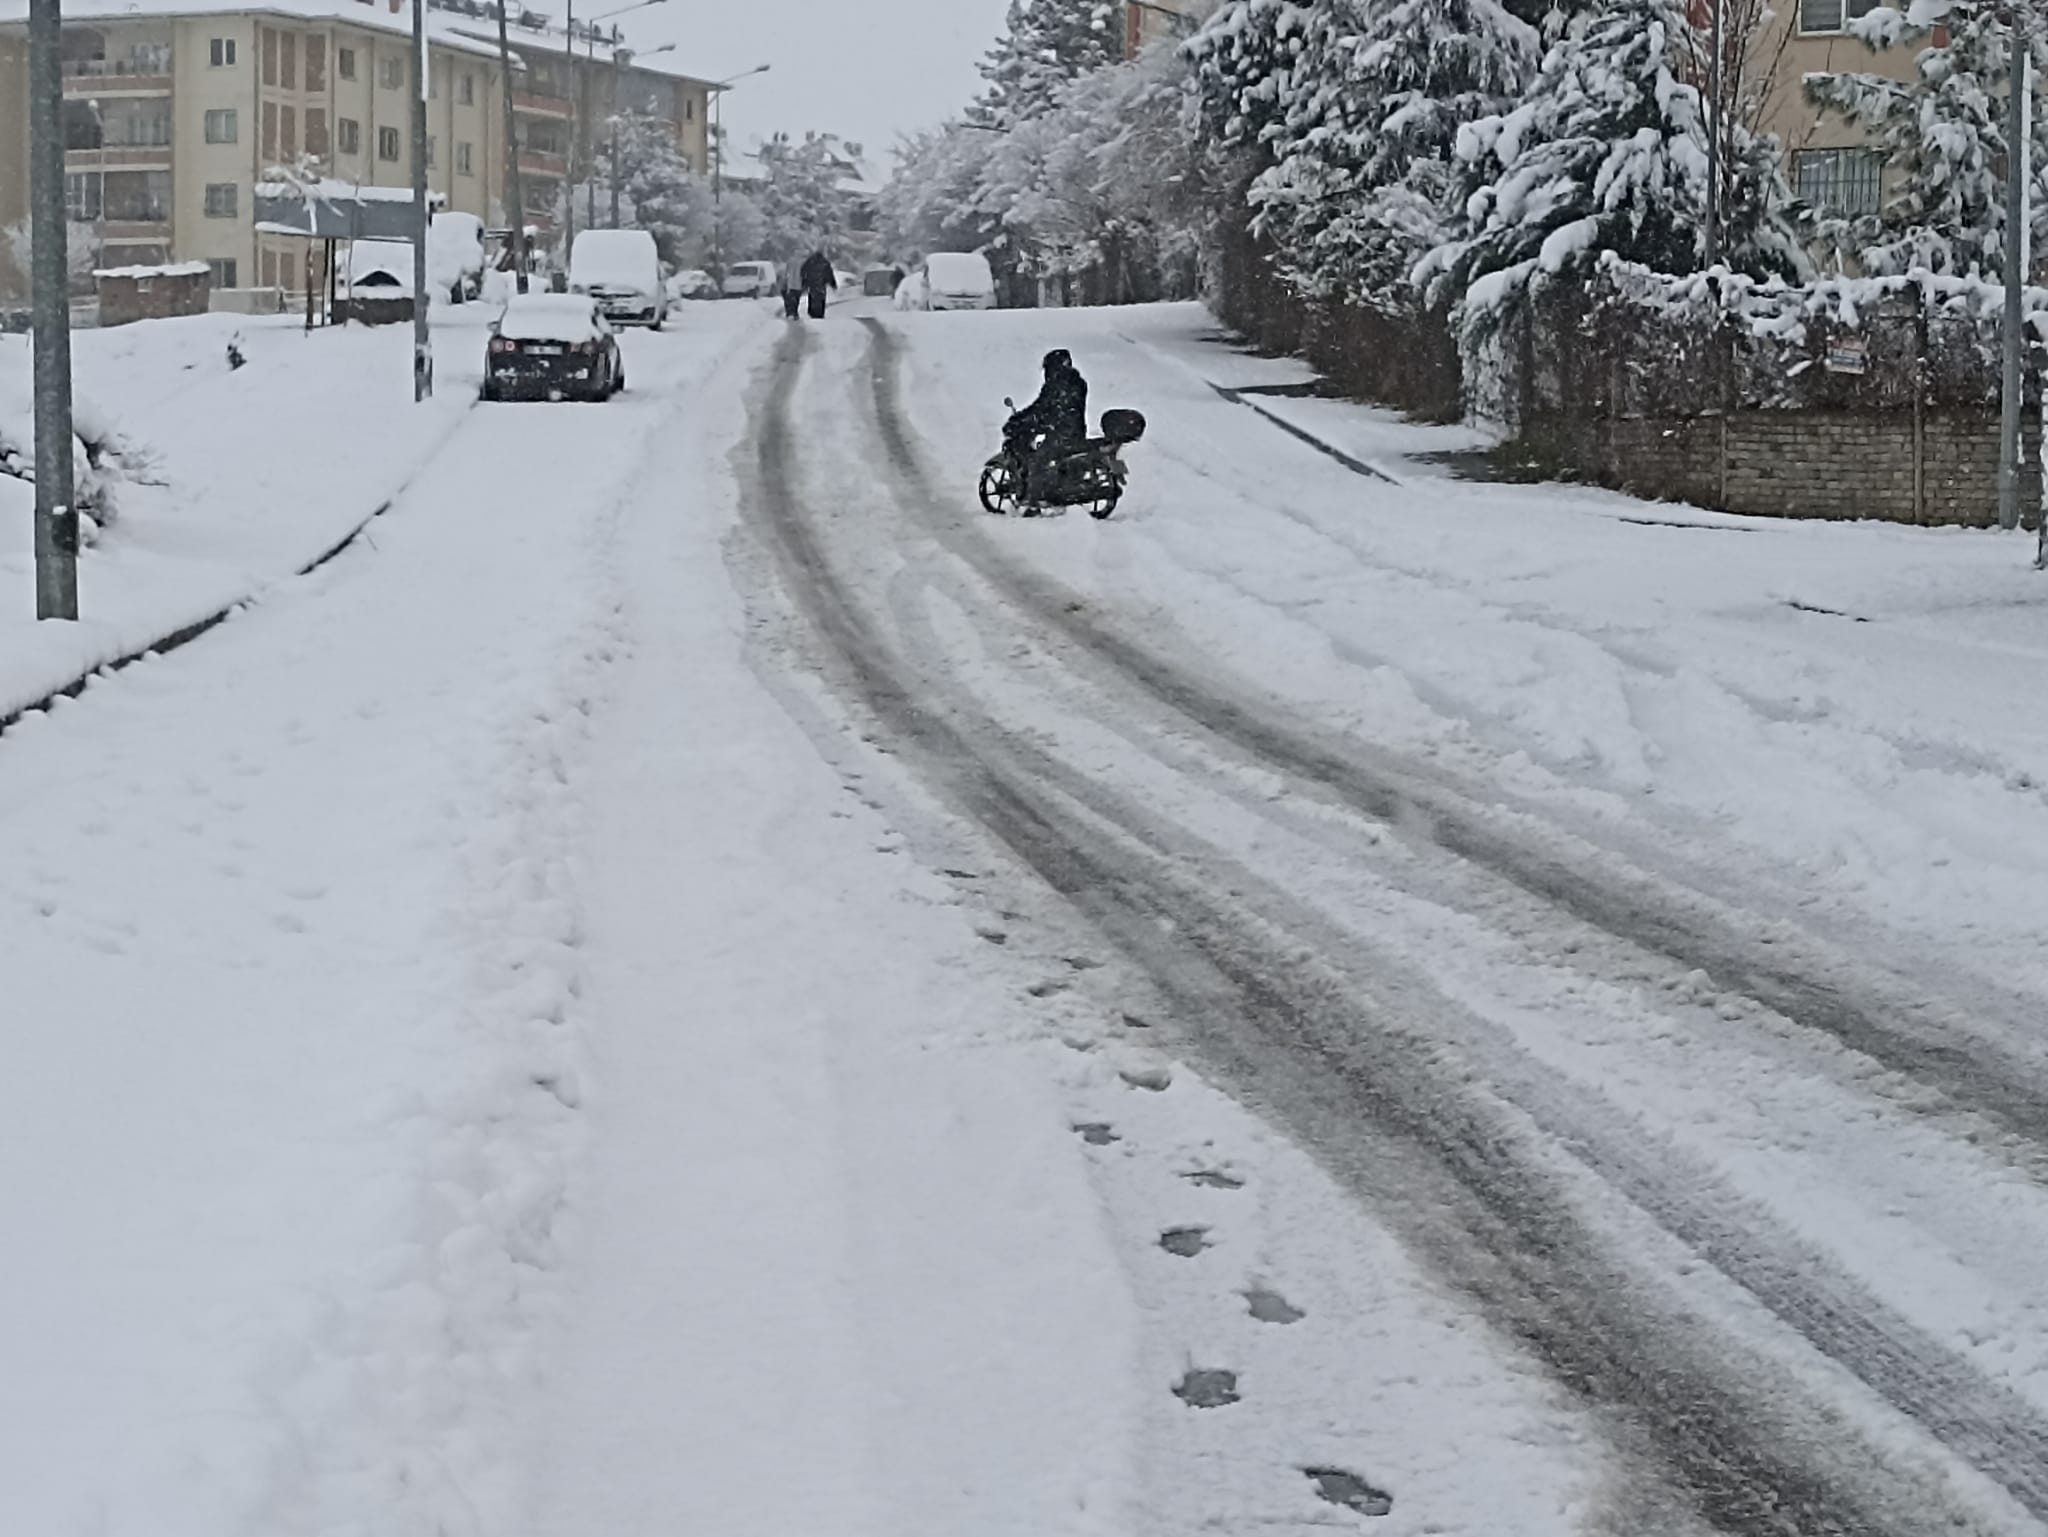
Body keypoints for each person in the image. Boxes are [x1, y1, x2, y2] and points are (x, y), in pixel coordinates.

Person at [1009, 348, 1089, 503]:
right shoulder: (1077, 382)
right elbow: (1049, 409)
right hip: (1075, 431)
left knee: (1037, 462)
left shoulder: (1056, 385)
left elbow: (1041, 409)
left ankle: (1033, 502)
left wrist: (1021, 421)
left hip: (1062, 433)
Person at [800, 249, 837, 319]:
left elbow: (803, 271)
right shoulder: (825, 262)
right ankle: (820, 314)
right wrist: (833, 284)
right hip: (821, 285)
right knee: (821, 299)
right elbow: (829, 274)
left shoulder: (810, 261)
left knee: (813, 298)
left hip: (812, 284)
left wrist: (804, 281)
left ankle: (812, 312)